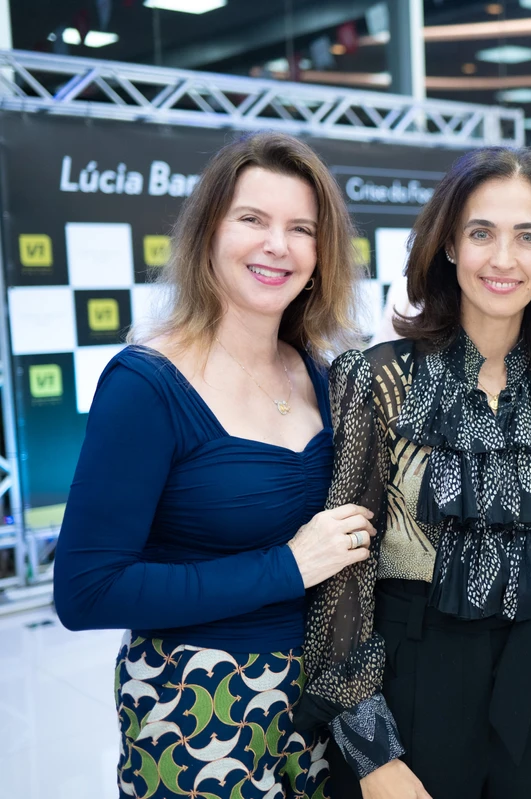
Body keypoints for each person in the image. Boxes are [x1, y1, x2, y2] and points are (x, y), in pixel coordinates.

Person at [295, 146, 531, 799]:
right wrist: (372, 751)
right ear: (450, 245)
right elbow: (344, 578)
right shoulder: (375, 378)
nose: (503, 258)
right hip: (408, 685)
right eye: (481, 232)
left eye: (527, 237)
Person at [53, 132, 376, 798]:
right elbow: (85, 591)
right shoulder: (147, 384)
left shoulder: (320, 374)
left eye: (300, 229)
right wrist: (285, 567)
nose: (276, 245)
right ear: (209, 232)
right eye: (252, 219)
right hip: (194, 705)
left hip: (319, 707)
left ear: (321, 255)